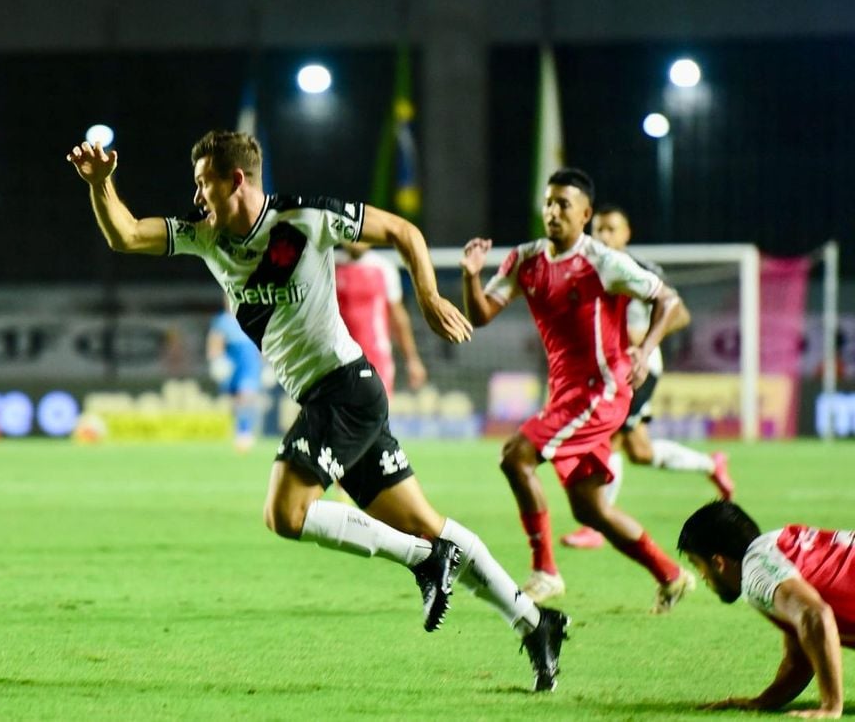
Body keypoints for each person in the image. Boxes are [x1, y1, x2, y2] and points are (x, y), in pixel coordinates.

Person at [67, 130, 569, 691]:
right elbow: (127, 234)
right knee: (428, 522)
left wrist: (428, 296)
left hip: (344, 390)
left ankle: (426, 561)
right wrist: (101, 183)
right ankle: (534, 621)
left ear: (236, 180)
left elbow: (403, 230)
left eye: (204, 181)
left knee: (285, 514)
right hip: (335, 397)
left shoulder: (306, 219)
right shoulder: (206, 238)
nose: (197, 193)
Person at [461, 167, 696, 613]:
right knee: (590, 510)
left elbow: (668, 301)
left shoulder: (604, 261)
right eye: (548, 203)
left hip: (602, 392)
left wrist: (645, 350)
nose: (552, 211)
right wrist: (472, 276)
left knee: (516, 456)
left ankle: (546, 571)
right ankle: (670, 574)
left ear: (585, 213)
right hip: (566, 395)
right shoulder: (525, 259)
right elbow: (482, 314)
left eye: (563, 204)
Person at [561, 204, 736, 549]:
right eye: (599, 229)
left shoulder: (640, 270)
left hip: (640, 368)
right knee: (639, 451)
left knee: (608, 436)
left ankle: (598, 524)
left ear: (627, 234)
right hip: (608, 370)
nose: (604, 236)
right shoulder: (584, 271)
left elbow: (680, 314)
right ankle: (710, 463)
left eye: (612, 229)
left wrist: (645, 338)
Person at [679, 501, 853, 718]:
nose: (702, 576)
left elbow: (815, 614)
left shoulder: (756, 572)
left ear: (718, 562)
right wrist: (764, 701)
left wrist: (830, 705)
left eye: (696, 563)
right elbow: (803, 652)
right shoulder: (779, 544)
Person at [335, 242, 428, 400]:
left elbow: (398, 318)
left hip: (375, 360)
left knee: (373, 419)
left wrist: (412, 359)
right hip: (335, 361)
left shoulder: (383, 268)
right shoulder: (330, 264)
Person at [206, 302, 266, 453]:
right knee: (237, 401)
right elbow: (215, 342)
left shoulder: (253, 318)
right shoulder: (223, 321)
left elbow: (262, 343)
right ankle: (241, 430)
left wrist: (266, 364)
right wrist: (216, 361)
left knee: (246, 396)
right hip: (233, 366)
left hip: (250, 365)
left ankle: (245, 432)